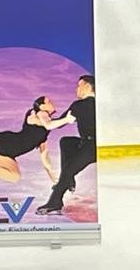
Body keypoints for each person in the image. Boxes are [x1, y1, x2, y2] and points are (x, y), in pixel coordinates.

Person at [36, 75, 97, 215]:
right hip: (93, 143)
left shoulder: (80, 105)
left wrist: (42, 116)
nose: (77, 89)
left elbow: (55, 125)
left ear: (87, 86)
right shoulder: (98, 103)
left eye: (79, 85)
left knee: (68, 169)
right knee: (67, 141)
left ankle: (55, 200)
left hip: (92, 147)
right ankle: (68, 179)